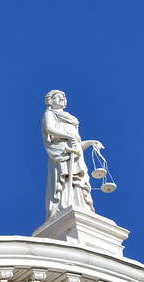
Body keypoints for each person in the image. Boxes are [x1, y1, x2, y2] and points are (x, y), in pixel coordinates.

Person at [42, 90, 102, 218]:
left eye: (63, 98)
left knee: (79, 180)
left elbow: (77, 144)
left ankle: (80, 205)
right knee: (63, 178)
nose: (61, 99)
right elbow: (50, 128)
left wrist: (91, 142)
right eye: (57, 97)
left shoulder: (71, 119)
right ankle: (63, 206)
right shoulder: (50, 113)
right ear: (50, 101)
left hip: (75, 153)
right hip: (61, 151)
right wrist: (68, 136)